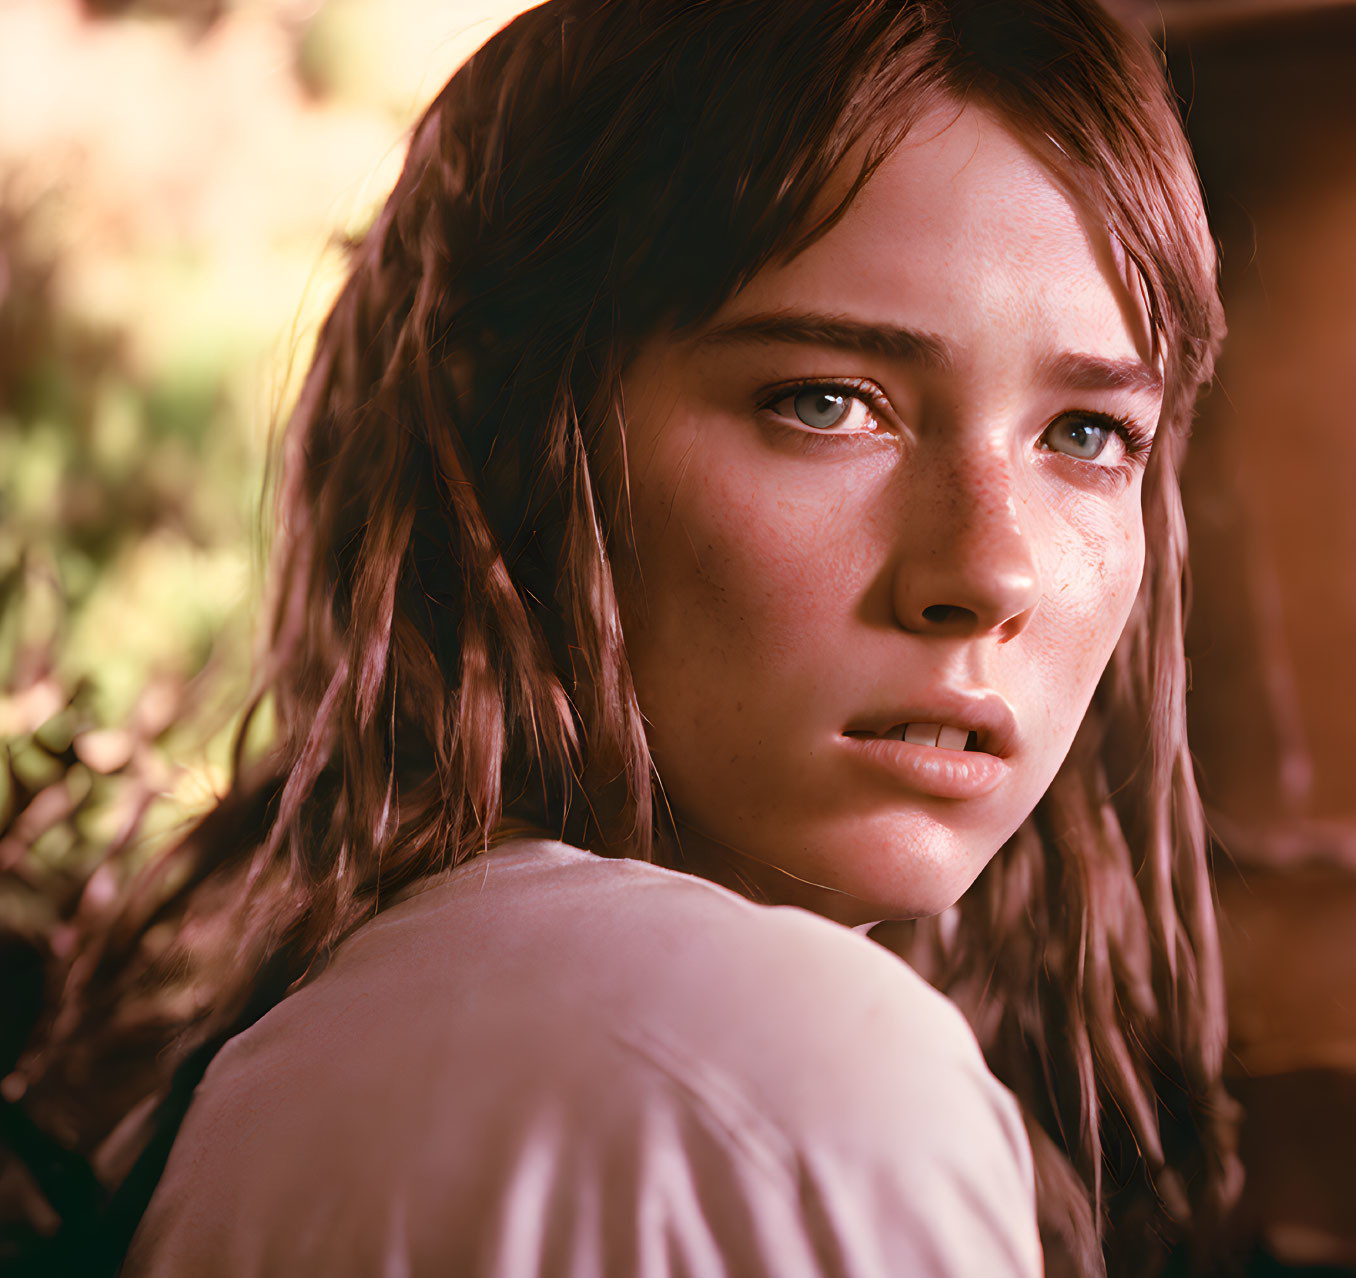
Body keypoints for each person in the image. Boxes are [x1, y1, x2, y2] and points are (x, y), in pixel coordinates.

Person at [19, 1, 1236, 1274]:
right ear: (519, 444)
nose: (989, 572)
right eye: (825, 402)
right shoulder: (782, 1082)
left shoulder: (287, 1060)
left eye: (1087, 435)